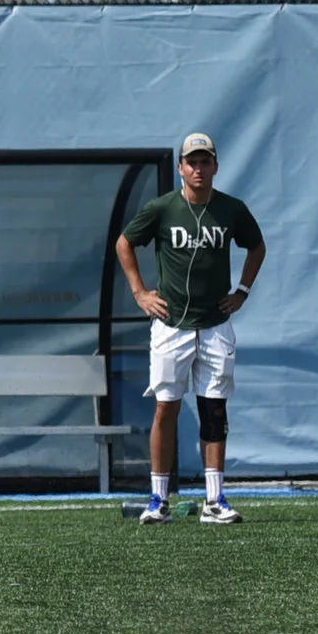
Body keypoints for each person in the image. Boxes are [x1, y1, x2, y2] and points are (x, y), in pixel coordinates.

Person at [117, 133, 267, 525]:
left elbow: (257, 246)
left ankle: (214, 501)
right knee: (166, 407)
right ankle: (158, 499)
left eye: (205, 162)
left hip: (216, 323)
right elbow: (124, 243)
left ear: (215, 166)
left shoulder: (231, 209)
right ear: (181, 168)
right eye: (192, 162)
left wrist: (242, 292)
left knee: (213, 409)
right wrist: (139, 293)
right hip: (171, 324)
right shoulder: (163, 208)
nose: (198, 169)